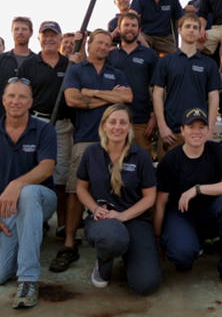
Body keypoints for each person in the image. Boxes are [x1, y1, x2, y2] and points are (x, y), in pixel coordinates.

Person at [0, 78, 58, 309]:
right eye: (11, 96)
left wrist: (16, 184)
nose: (15, 101)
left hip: (41, 199)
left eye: (21, 97)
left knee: (27, 193)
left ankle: (28, 279)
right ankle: (25, 238)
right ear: (3, 100)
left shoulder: (44, 128)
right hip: (5, 209)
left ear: (30, 102)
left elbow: (47, 166)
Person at [51, 29, 132, 273]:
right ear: (91, 44)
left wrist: (92, 92)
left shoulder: (116, 72)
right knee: (76, 190)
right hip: (85, 139)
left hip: (114, 140)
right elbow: (72, 100)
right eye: (99, 43)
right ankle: (69, 244)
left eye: (108, 44)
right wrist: (110, 97)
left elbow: (127, 97)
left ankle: (114, 237)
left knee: (119, 187)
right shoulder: (77, 70)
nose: (104, 47)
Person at [154, 108, 222, 297]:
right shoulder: (171, 160)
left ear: (208, 130)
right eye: (191, 127)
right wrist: (156, 240)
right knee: (182, 256)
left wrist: (197, 189)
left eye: (201, 127)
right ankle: (189, 247)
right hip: (181, 214)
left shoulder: (217, 150)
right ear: (182, 130)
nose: (196, 131)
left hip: (209, 212)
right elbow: (160, 203)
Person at [76, 104, 161, 295]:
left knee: (146, 284)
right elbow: (81, 188)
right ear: (104, 125)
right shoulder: (91, 153)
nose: (117, 127)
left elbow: (150, 197)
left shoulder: (141, 156)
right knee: (113, 238)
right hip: (103, 219)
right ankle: (104, 262)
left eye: (123, 122)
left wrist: (122, 216)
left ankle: (129, 256)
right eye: (112, 122)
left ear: (129, 126)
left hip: (135, 219)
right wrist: (94, 209)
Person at [19, 21, 73, 242]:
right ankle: (36, 221)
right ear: (39, 39)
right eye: (45, 35)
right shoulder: (29, 65)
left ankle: (62, 224)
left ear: (60, 39)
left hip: (62, 125)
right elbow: (20, 94)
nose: (50, 39)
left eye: (54, 35)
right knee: (32, 172)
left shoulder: (70, 64)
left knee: (61, 175)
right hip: (34, 122)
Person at [152, 14, 221, 155]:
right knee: (167, 176)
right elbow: (157, 94)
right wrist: (162, 126)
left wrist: (210, 130)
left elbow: (214, 97)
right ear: (179, 30)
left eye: (195, 27)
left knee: (200, 177)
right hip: (171, 132)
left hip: (198, 133)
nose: (191, 30)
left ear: (200, 32)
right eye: (187, 26)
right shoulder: (166, 61)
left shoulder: (209, 64)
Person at [107, 12, 159, 152]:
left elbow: (158, 88)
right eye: (126, 25)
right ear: (119, 28)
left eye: (133, 25)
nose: (130, 29)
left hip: (141, 120)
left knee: (141, 165)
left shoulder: (150, 55)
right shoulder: (110, 55)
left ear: (139, 30)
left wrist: (154, 117)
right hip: (113, 121)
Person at [0, 17, 36, 125]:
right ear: (12, 32)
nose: (20, 32)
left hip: (28, 121)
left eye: (24, 29)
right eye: (16, 29)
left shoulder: (37, 62)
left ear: (31, 33)